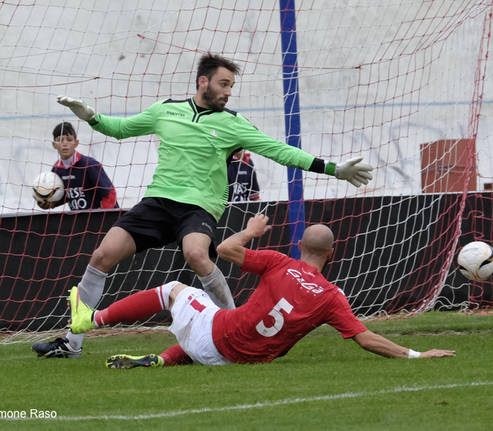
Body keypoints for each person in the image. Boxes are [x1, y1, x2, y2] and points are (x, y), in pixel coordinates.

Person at [32, 52, 373, 359]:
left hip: (199, 208)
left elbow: (279, 150)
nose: (228, 92)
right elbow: (119, 129)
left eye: (231, 86)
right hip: (158, 201)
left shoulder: (233, 124)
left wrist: (333, 169)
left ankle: (235, 326)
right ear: (203, 82)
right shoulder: (166, 110)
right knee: (102, 256)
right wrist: (90, 116)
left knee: (197, 254)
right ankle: (71, 343)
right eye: (224, 84)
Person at [67, 214, 456, 368]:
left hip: (217, 338)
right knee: (209, 324)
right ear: (332, 254)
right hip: (239, 361)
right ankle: (163, 360)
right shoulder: (331, 297)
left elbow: (223, 250)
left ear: (299, 245)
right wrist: (419, 353)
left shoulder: (278, 262)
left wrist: (252, 231)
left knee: (174, 290)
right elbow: (366, 338)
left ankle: (91, 318)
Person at [37, 122, 118, 210]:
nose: (64, 143)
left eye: (69, 139)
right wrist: (50, 203)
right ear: (54, 144)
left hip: (102, 218)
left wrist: (102, 216)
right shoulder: (57, 170)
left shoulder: (90, 164)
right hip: (79, 220)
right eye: (60, 140)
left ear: (76, 142)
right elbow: (63, 196)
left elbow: (110, 194)